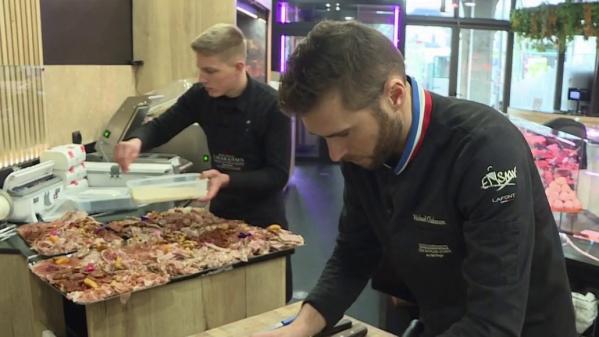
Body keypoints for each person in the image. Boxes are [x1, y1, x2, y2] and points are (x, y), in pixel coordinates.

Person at [254, 21, 576, 337]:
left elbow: (494, 322)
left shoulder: (484, 149)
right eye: (324, 138)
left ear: (394, 95)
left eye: (343, 134)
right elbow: (355, 252)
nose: (335, 155)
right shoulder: (363, 153)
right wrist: (301, 326)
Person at [114, 24, 293, 301]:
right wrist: (136, 141)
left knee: (268, 302)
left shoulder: (271, 105)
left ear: (239, 66)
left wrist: (227, 179)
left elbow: (278, 175)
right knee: (224, 304)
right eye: (200, 69)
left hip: (264, 222)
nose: (202, 78)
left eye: (210, 71)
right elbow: (163, 125)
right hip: (219, 218)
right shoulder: (201, 96)